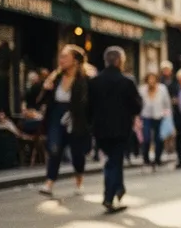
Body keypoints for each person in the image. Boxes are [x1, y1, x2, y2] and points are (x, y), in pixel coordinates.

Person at [88, 47, 143, 213]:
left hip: (100, 130)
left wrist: (92, 125)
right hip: (121, 129)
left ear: (106, 61)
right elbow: (137, 107)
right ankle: (109, 196)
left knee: (113, 161)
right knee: (114, 162)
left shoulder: (94, 81)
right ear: (120, 61)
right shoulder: (127, 82)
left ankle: (119, 189)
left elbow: (88, 107)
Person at [38, 45, 91, 197]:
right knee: (54, 149)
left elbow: (89, 103)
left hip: (76, 118)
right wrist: (45, 88)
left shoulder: (84, 79)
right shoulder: (56, 77)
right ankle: (49, 183)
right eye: (60, 57)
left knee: (77, 153)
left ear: (75, 61)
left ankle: (79, 182)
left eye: (65, 57)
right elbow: (40, 100)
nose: (61, 60)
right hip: (56, 116)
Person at [139, 72, 171, 169]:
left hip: (159, 116)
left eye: (153, 79)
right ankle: (146, 158)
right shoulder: (142, 89)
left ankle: (157, 158)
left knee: (158, 139)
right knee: (146, 137)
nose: (151, 81)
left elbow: (167, 103)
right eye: (149, 79)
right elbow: (138, 103)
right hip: (146, 116)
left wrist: (168, 116)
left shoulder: (162, 89)